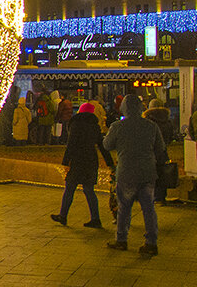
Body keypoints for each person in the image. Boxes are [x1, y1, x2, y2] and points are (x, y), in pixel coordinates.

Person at [103, 94, 166, 255]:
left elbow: (107, 145)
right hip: (147, 172)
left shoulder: (118, 126)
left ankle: (121, 240)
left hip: (126, 172)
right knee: (148, 208)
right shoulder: (151, 126)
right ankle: (151, 242)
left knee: (124, 207)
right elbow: (160, 149)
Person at [51, 102, 114, 228]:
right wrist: (110, 163)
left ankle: (63, 216)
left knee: (69, 188)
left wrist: (65, 161)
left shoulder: (76, 124)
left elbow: (71, 144)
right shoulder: (95, 126)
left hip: (78, 160)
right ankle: (95, 218)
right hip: (91, 160)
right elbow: (102, 146)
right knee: (89, 190)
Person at [143, 98, 174, 203]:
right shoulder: (167, 121)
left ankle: (153, 197)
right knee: (162, 173)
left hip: (150, 152)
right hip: (163, 152)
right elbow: (170, 137)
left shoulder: (147, 122)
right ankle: (162, 197)